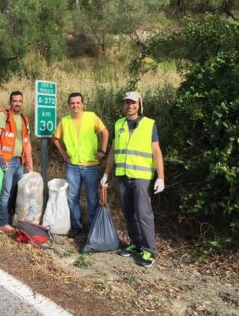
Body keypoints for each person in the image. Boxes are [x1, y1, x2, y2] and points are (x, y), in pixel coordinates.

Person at [101, 91, 165, 268]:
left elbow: (156, 152)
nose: (130, 106)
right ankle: (136, 243)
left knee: (143, 213)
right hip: (122, 176)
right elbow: (113, 151)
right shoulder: (118, 124)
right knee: (129, 212)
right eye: (127, 103)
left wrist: (161, 177)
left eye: (133, 103)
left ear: (139, 104)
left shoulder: (149, 124)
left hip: (141, 177)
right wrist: (106, 174)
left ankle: (148, 250)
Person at [52, 92, 109, 238]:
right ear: (69, 105)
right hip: (73, 167)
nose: (75, 105)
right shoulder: (65, 121)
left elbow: (105, 132)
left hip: (90, 166)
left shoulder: (91, 116)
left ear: (82, 104)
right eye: (72, 103)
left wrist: (103, 150)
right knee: (72, 197)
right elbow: (55, 138)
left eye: (78, 102)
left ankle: (91, 228)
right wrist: (64, 154)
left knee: (91, 198)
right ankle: (76, 225)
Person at [0, 90, 33, 234]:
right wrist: (0, 156)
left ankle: (10, 219)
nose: (17, 103)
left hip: (19, 161)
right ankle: (2, 223)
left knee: (15, 192)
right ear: (10, 103)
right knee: (5, 192)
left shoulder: (24, 119)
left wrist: (30, 161)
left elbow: (27, 142)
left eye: (20, 101)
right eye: (15, 101)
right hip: (7, 161)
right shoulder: (3, 115)